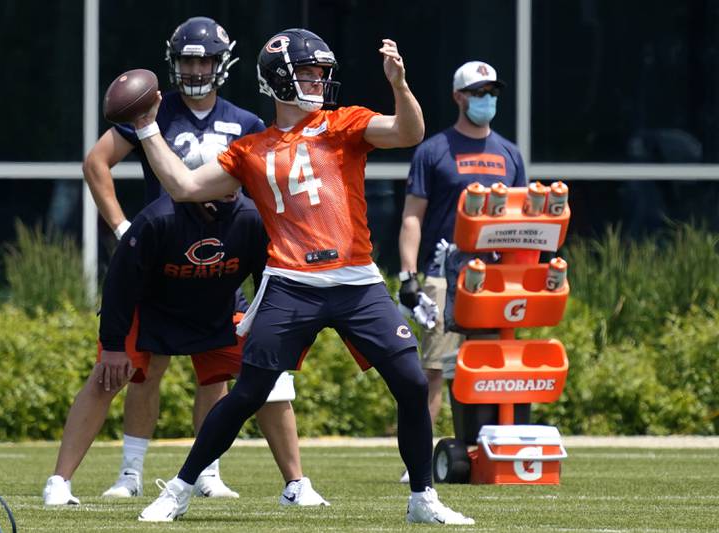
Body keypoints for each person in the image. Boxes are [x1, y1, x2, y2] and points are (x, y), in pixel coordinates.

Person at [129, 28, 475, 525]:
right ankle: (180, 489)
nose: (318, 81)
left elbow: (408, 132)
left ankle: (423, 498)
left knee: (410, 382)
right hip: (292, 282)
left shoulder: (343, 124)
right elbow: (183, 186)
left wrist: (400, 84)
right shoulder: (251, 150)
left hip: (356, 279)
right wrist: (146, 129)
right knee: (249, 392)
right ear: (278, 80)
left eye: (321, 73)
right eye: (308, 72)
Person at [44, 16, 321, 504]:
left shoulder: (248, 123)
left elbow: (270, 189)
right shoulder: (151, 112)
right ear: (173, 62)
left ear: (222, 63)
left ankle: (215, 471)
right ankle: (121, 474)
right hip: (158, 262)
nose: (195, 69)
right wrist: (124, 227)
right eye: (188, 59)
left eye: (204, 59)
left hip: (220, 265)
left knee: (232, 372)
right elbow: (95, 163)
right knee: (130, 371)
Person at [397, 60, 528, 482]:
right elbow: (413, 217)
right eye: (477, 92)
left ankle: (485, 450)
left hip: (494, 278)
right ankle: (417, 461)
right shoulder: (434, 150)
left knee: (490, 366)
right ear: (458, 96)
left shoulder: (509, 153)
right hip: (442, 272)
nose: (486, 100)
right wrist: (408, 275)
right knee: (434, 369)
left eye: (491, 92)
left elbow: (524, 221)